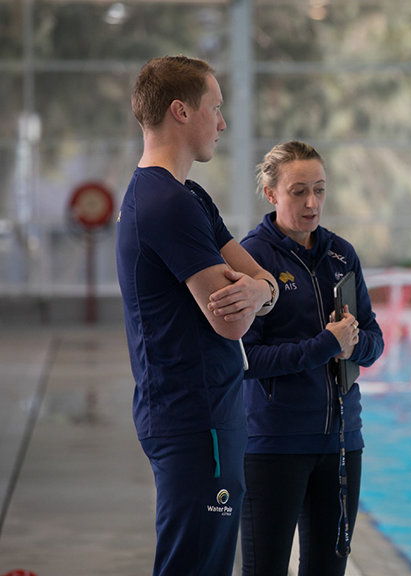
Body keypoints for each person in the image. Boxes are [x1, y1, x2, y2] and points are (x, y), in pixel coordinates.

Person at [116, 55, 279, 576]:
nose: (223, 123)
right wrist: (255, 296)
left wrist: (257, 292)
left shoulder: (188, 197)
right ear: (181, 112)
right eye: (216, 108)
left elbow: (267, 282)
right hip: (194, 418)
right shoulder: (167, 204)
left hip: (205, 415)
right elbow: (230, 322)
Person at [238, 141, 384, 576]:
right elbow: (247, 359)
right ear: (271, 193)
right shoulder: (252, 259)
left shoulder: (342, 255)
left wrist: (352, 342)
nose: (311, 203)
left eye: (319, 190)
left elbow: (374, 339)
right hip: (274, 445)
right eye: (299, 191)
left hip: (341, 444)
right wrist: (325, 343)